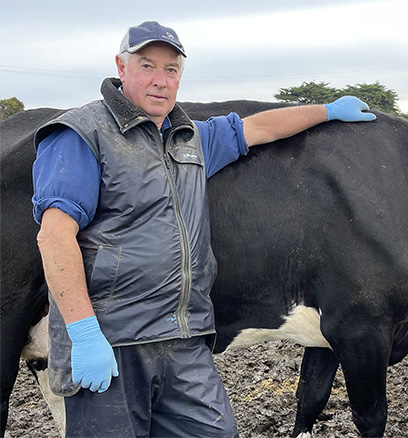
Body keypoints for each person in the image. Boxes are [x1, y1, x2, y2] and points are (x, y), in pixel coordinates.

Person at [32, 20, 376, 437]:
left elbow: (260, 127)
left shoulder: (190, 139)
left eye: (171, 69)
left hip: (182, 338)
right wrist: (85, 333)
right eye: (147, 66)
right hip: (113, 342)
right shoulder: (82, 135)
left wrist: (327, 110)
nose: (161, 80)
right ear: (121, 68)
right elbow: (54, 236)